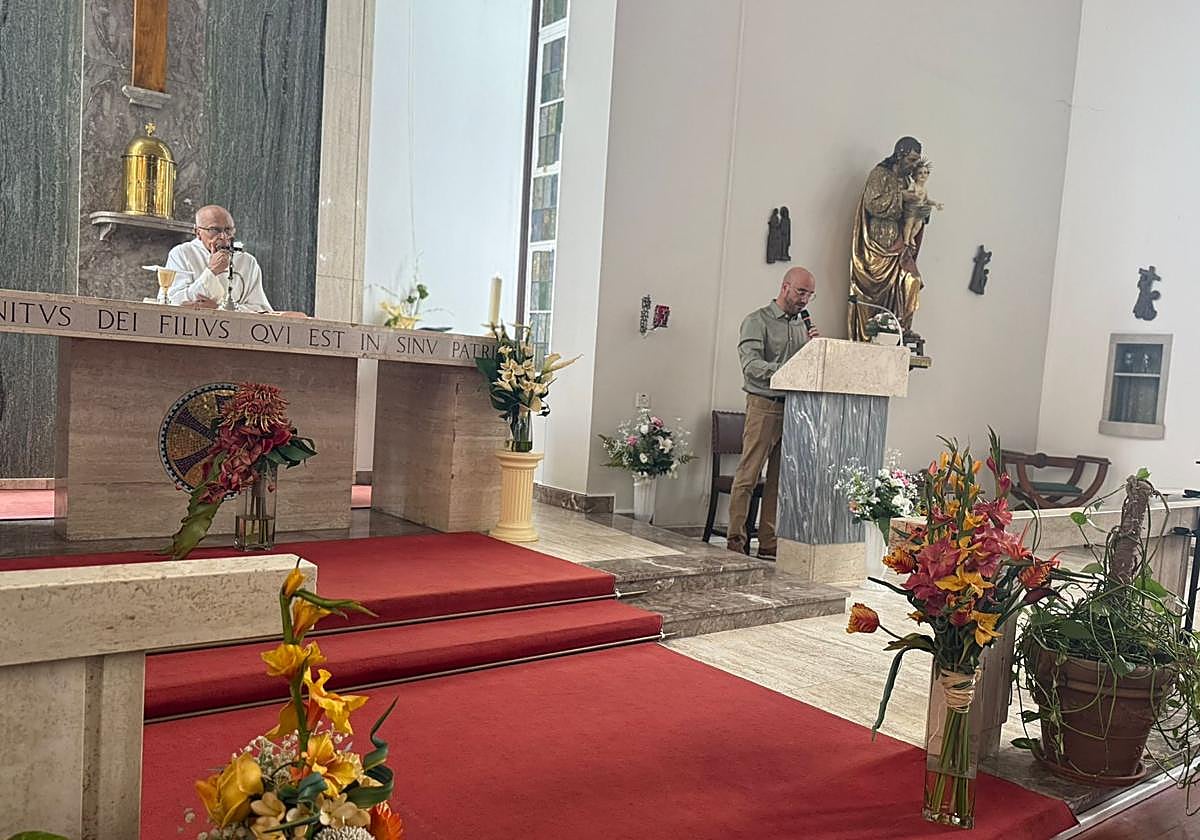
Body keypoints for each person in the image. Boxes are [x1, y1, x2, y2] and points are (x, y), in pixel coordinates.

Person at [727, 266, 820, 558]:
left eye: (810, 295)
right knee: (748, 476)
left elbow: (806, 369)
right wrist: (786, 372)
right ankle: (735, 541)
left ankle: (768, 541)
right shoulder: (758, 321)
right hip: (764, 405)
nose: (805, 300)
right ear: (785, 287)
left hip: (793, 409)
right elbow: (750, 365)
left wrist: (815, 351)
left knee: (779, 480)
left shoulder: (802, 326)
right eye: (801, 292)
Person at [848, 136, 927, 342]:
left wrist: (921, 211)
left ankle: (902, 328)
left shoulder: (908, 181)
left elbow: (911, 211)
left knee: (912, 281)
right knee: (873, 295)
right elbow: (871, 204)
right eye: (911, 160)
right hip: (877, 246)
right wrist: (901, 198)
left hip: (900, 247)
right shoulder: (880, 174)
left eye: (916, 162)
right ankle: (870, 334)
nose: (913, 166)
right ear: (899, 155)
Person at [166, 205, 279, 314]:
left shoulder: (247, 261)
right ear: (197, 232)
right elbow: (173, 301)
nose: (223, 237)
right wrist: (211, 271)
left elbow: (261, 309)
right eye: (215, 230)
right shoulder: (182, 254)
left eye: (228, 230)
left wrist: (220, 309)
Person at [901, 160, 943, 247]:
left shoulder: (924, 189)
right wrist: (914, 195)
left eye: (925, 173)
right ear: (915, 176)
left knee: (918, 226)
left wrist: (935, 204)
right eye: (920, 173)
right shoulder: (913, 185)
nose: (923, 175)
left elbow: (926, 200)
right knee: (909, 224)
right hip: (911, 208)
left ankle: (911, 237)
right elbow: (908, 194)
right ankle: (906, 240)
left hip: (920, 209)